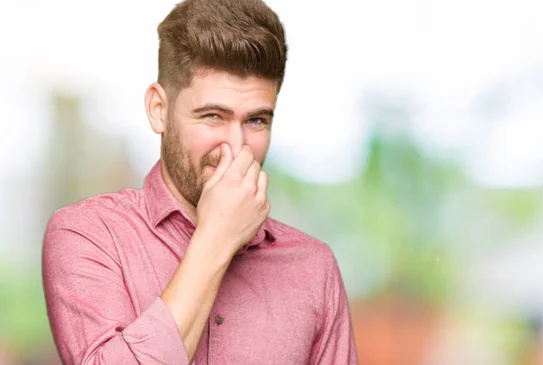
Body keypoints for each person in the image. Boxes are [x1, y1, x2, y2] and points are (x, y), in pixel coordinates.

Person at [41, 0, 358, 364]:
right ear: (159, 110)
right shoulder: (89, 236)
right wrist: (216, 239)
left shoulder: (313, 269)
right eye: (212, 116)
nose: (235, 148)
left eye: (256, 121)